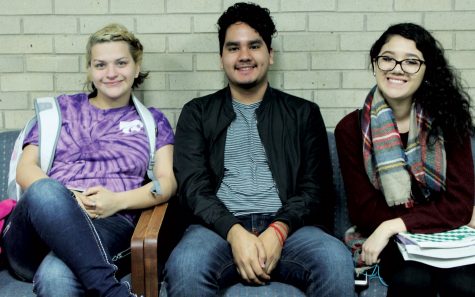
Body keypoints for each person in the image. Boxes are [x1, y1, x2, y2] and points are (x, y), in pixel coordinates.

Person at [164, 2, 354, 296]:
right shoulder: (197, 113)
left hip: (291, 230)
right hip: (216, 231)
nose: (244, 56)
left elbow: (315, 189)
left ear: (270, 55)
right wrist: (234, 232)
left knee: (335, 259)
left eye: (254, 46)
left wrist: (278, 230)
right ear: (221, 57)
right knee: (186, 265)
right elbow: (193, 188)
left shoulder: (303, 113)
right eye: (233, 48)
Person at [2, 23, 176, 297]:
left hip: (109, 223)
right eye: (100, 65)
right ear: (89, 69)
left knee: (56, 278)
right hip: (34, 235)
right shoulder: (58, 111)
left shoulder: (153, 122)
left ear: (136, 66)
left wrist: (117, 201)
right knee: (46, 190)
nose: (111, 73)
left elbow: (166, 183)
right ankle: (111, 291)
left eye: (121, 63)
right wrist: (69, 199)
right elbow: (26, 170)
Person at [335, 23, 475, 297]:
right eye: (387, 58)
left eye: (411, 61)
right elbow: (364, 211)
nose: (397, 69)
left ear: (426, 70)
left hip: (445, 238)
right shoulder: (350, 129)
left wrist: (393, 224)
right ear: (375, 64)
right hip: (396, 243)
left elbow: (459, 203)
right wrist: (427, 218)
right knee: (412, 280)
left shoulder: (450, 121)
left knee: (463, 284)